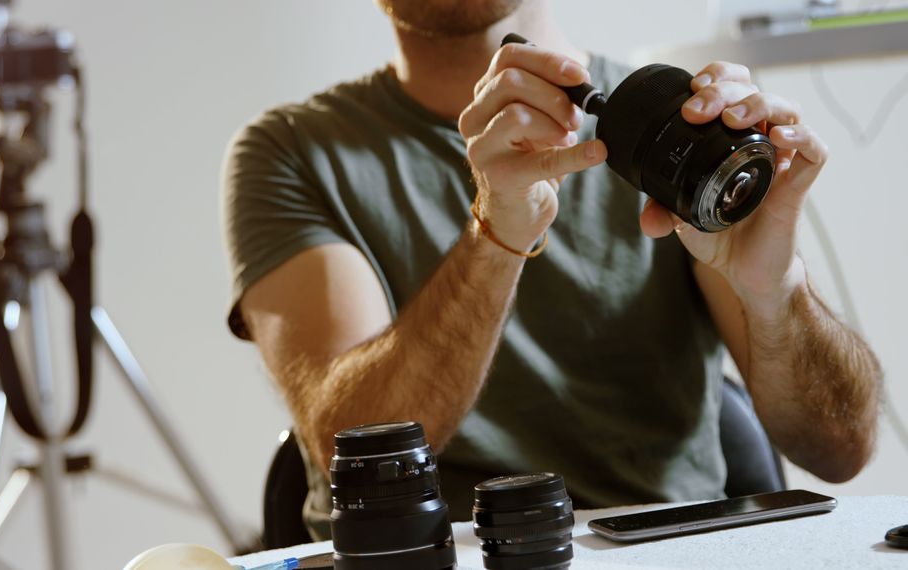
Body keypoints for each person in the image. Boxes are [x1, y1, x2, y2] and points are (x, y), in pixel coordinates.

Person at [221, 0, 882, 537]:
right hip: (432, 555)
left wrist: (776, 289)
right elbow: (355, 451)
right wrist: (496, 237)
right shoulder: (292, 152)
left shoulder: (677, 129)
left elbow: (841, 449)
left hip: (664, 552)